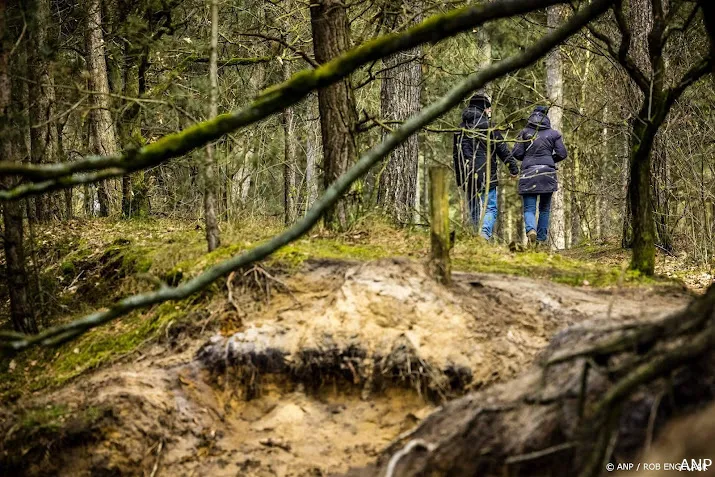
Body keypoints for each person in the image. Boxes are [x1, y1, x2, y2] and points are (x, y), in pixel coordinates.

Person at [453, 93, 519, 240]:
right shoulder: (489, 127)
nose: (490, 111)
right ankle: (484, 234)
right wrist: (513, 168)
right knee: (491, 208)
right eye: (488, 108)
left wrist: (460, 179)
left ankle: (477, 238)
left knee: (474, 209)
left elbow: (456, 156)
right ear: (483, 108)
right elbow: (502, 149)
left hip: (467, 174)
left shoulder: (460, 128)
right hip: (486, 173)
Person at [511, 105, 568, 247]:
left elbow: (517, 153)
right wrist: (549, 160)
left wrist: (529, 159)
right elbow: (562, 153)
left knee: (529, 208)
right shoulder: (553, 134)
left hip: (529, 172)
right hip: (547, 173)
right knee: (544, 208)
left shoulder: (524, 133)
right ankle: (541, 240)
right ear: (546, 116)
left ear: (532, 115)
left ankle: (531, 230)